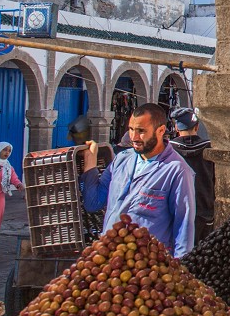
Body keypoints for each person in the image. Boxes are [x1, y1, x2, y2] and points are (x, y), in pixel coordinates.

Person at [81, 103, 196, 256]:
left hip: (147, 266)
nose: (133, 137)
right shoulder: (121, 160)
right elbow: (92, 202)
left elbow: (184, 227)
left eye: (141, 131)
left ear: (161, 130)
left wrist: (179, 270)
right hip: (109, 259)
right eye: (131, 129)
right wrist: (90, 162)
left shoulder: (177, 170)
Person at [170, 107, 216, 241]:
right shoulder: (209, 148)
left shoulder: (169, 150)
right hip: (204, 209)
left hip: (177, 210)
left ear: (177, 128)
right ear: (196, 127)